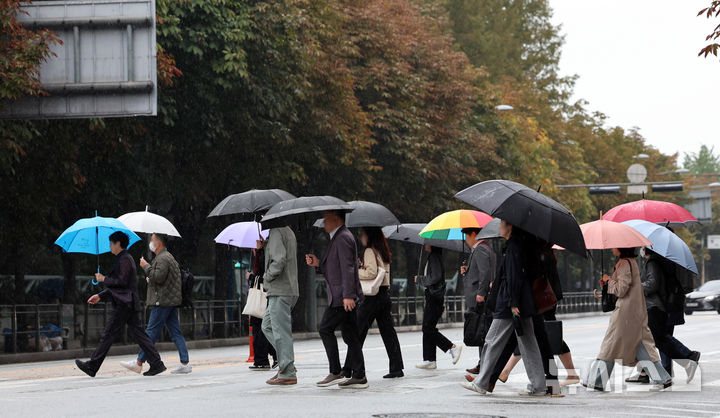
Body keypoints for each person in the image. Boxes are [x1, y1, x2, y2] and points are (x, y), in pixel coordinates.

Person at [461, 220, 546, 396]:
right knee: (529, 344)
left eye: (502, 223)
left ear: (510, 227)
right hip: (519, 301)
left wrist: (513, 303)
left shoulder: (513, 247)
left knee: (491, 341)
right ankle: (539, 386)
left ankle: (482, 382)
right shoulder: (519, 246)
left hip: (509, 303)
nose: (499, 227)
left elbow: (514, 277)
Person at [75, 232, 166, 377]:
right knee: (140, 335)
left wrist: (103, 279)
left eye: (111, 243)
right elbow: (118, 285)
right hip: (128, 302)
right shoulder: (123, 258)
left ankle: (93, 366)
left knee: (109, 335)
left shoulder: (125, 259)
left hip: (124, 304)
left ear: (118, 244)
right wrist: (100, 295)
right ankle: (156, 363)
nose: (110, 246)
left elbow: (121, 282)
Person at [582, 247, 672, 391]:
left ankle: (597, 381)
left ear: (621, 248)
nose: (612, 248)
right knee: (641, 345)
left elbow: (621, 290)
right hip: (635, 310)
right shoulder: (631, 262)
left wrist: (609, 280)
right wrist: (609, 282)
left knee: (610, 344)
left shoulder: (624, 263)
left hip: (625, 312)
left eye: (614, 246)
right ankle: (662, 378)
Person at [306, 210, 368, 389]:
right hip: (342, 294)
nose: (324, 222)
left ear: (336, 219)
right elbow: (335, 267)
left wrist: (348, 295)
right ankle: (359, 375)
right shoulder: (339, 237)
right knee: (350, 336)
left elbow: (348, 268)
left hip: (342, 296)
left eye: (326, 219)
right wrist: (318, 264)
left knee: (325, 329)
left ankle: (336, 371)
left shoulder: (342, 238)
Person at [625, 248, 700, 384]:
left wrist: (635, 286)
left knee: (658, 338)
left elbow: (652, 284)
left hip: (654, 306)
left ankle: (689, 357)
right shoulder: (658, 261)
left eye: (643, 247)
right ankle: (683, 362)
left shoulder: (653, 262)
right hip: (656, 306)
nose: (641, 249)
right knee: (655, 339)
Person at [119, 233, 190, 375]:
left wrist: (146, 266)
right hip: (169, 300)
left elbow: (158, 277)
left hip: (162, 301)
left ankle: (139, 362)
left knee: (151, 332)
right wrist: (150, 277)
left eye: (152, 241)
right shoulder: (167, 257)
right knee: (175, 332)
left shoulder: (163, 258)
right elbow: (161, 279)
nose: (150, 244)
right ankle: (185, 363)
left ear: (158, 243)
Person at [342, 227, 404, 378]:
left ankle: (349, 367)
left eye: (363, 234)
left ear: (369, 236)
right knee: (388, 333)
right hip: (384, 295)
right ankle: (396, 368)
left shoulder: (370, 250)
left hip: (372, 298)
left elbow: (371, 273)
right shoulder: (383, 251)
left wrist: (356, 271)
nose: (361, 237)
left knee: (357, 331)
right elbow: (378, 271)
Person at [262, 225, 299, 385]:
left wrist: (267, 276)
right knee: (267, 326)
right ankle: (286, 362)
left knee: (280, 331)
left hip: (280, 289)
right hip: (284, 289)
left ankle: (288, 371)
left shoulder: (277, 231)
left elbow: (279, 259)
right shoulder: (288, 230)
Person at [414, 245, 463, 369]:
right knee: (428, 327)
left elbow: (435, 277)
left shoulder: (435, 257)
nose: (425, 244)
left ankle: (451, 347)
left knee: (428, 327)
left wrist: (420, 279)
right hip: (433, 296)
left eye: (427, 242)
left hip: (434, 297)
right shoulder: (434, 256)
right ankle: (429, 359)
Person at [461, 227, 496, 375]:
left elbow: (485, 273)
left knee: (482, 330)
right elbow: (479, 272)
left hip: (479, 298)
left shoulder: (481, 249)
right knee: (482, 331)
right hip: (479, 296)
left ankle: (485, 365)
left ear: (474, 235)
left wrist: (481, 294)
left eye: (467, 237)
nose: (466, 241)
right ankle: (482, 363)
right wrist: (467, 271)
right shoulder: (484, 248)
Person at [247, 240, 277, 371]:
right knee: (263, 328)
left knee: (261, 329)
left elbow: (263, 278)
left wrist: (251, 278)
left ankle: (262, 359)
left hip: (262, 299)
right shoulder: (262, 256)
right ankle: (276, 356)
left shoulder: (263, 257)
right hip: (264, 298)